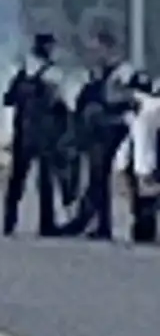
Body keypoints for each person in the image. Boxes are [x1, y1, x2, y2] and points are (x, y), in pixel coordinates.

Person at [57, 29, 135, 240]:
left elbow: (128, 98)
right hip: (97, 131)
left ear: (107, 48)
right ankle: (98, 223)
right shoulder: (99, 73)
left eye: (97, 48)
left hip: (113, 129)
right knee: (97, 179)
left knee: (100, 178)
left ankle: (100, 225)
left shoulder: (122, 72)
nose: (93, 53)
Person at [2, 32, 69, 237]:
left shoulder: (22, 72)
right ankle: (46, 224)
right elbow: (60, 106)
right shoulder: (53, 74)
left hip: (22, 132)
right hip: (45, 135)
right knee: (45, 181)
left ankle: (9, 220)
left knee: (17, 179)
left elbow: (8, 99)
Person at [115, 71, 159, 243]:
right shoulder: (141, 111)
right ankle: (144, 229)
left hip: (144, 162)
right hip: (141, 161)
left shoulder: (147, 110)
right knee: (142, 202)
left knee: (144, 199)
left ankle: (144, 229)